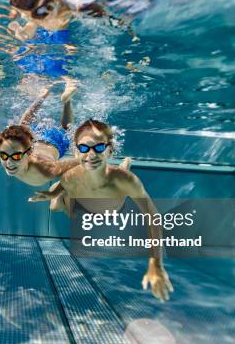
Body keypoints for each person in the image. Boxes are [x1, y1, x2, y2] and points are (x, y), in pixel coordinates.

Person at [29, 119, 173, 301]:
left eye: (98, 148)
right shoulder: (70, 176)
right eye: (83, 148)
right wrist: (51, 194)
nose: (91, 154)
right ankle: (65, 198)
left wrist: (156, 263)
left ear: (109, 150)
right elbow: (62, 186)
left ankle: (123, 165)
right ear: (75, 151)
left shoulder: (126, 181)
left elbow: (154, 217)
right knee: (55, 206)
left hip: (111, 206)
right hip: (82, 201)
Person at [0, 88, 79, 210]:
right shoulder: (13, 152)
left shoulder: (46, 170)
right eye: (4, 156)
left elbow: (79, 163)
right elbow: (3, 141)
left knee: (66, 129)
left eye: (16, 156)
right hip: (37, 137)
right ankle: (42, 94)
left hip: (55, 142)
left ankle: (67, 101)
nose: (9, 162)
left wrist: (55, 193)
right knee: (21, 127)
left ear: (29, 153)